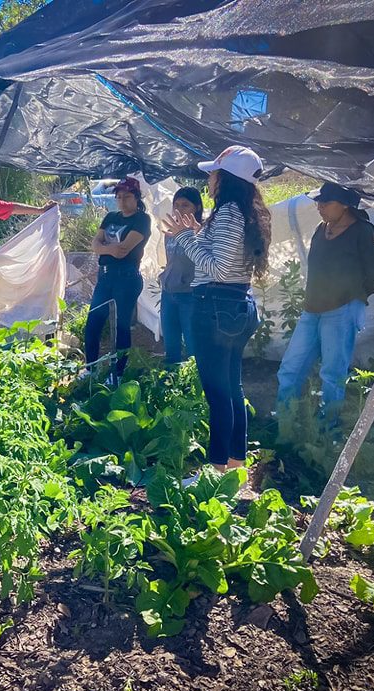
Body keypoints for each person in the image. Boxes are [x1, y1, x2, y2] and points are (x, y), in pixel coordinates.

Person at [163, 145, 271, 478]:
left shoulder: (227, 213)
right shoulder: (244, 212)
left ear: (225, 178)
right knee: (232, 388)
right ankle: (236, 467)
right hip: (236, 306)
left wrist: (184, 238)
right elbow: (229, 260)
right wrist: (197, 233)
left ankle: (216, 470)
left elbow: (220, 268)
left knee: (217, 392)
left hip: (215, 308)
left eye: (213, 173)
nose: (208, 179)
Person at [276, 182, 374, 426]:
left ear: (345, 205)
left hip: (341, 312)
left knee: (332, 374)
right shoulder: (320, 229)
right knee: (290, 368)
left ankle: (327, 429)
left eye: (326, 201)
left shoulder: (363, 231)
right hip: (312, 309)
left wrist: (349, 296)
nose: (319, 205)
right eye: (318, 200)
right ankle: (283, 423)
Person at [83, 176, 152, 381]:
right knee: (94, 321)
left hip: (127, 277)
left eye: (127, 196)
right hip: (105, 276)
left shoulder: (141, 219)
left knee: (121, 326)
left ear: (136, 198)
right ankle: (90, 369)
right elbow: (94, 245)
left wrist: (106, 249)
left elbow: (123, 251)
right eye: (119, 197)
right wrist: (108, 249)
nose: (122, 201)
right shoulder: (111, 216)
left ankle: (118, 373)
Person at [159, 187, 203, 363]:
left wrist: (196, 234)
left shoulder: (202, 232)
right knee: (171, 345)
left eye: (185, 205)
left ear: (197, 208)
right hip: (169, 293)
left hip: (190, 295)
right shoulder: (170, 234)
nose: (179, 209)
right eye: (176, 205)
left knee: (193, 346)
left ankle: (196, 386)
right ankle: (172, 385)